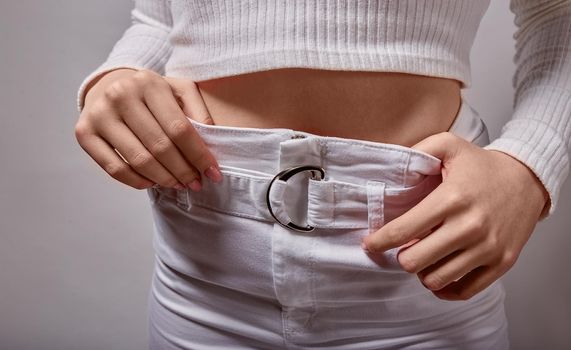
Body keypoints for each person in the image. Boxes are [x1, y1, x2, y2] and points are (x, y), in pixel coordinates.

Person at [74, 1, 570, 349]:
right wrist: (118, 75)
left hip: (417, 263)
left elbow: (558, 10)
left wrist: (528, 162)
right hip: (203, 265)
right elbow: (161, 16)